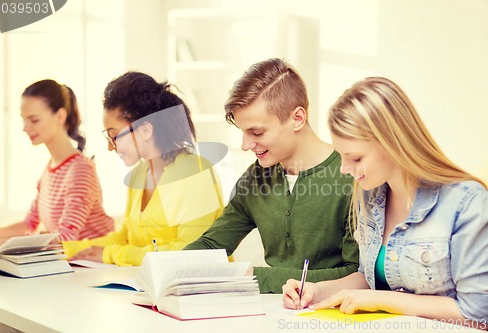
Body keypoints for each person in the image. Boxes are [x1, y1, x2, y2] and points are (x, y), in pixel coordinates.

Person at [282, 77, 488, 328]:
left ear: (393, 143)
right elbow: (373, 279)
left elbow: (477, 314)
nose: (345, 169)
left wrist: (381, 300)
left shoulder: (466, 202)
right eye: (342, 157)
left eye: (355, 158)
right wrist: (319, 290)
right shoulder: (370, 195)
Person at [184, 58, 359, 293]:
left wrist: (255, 277)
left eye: (257, 132)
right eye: (243, 132)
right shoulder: (255, 178)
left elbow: (356, 274)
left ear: (297, 118)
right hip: (270, 312)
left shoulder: (352, 177)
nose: (246, 145)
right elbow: (212, 244)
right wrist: (169, 267)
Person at [63, 71, 224, 266]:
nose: (110, 147)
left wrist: (113, 255)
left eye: (114, 137)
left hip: (197, 292)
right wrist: (64, 249)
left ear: (146, 130)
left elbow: (189, 251)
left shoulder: (195, 171)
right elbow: (124, 238)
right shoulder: (140, 174)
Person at [0, 79, 114, 247]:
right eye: (23, 119)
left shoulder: (80, 170)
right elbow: (30, 224)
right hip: (69, 266)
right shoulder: (50, 170)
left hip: (90, 266)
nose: (25, 128)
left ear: (60, 116)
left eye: (34, 120)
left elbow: (64, 238)